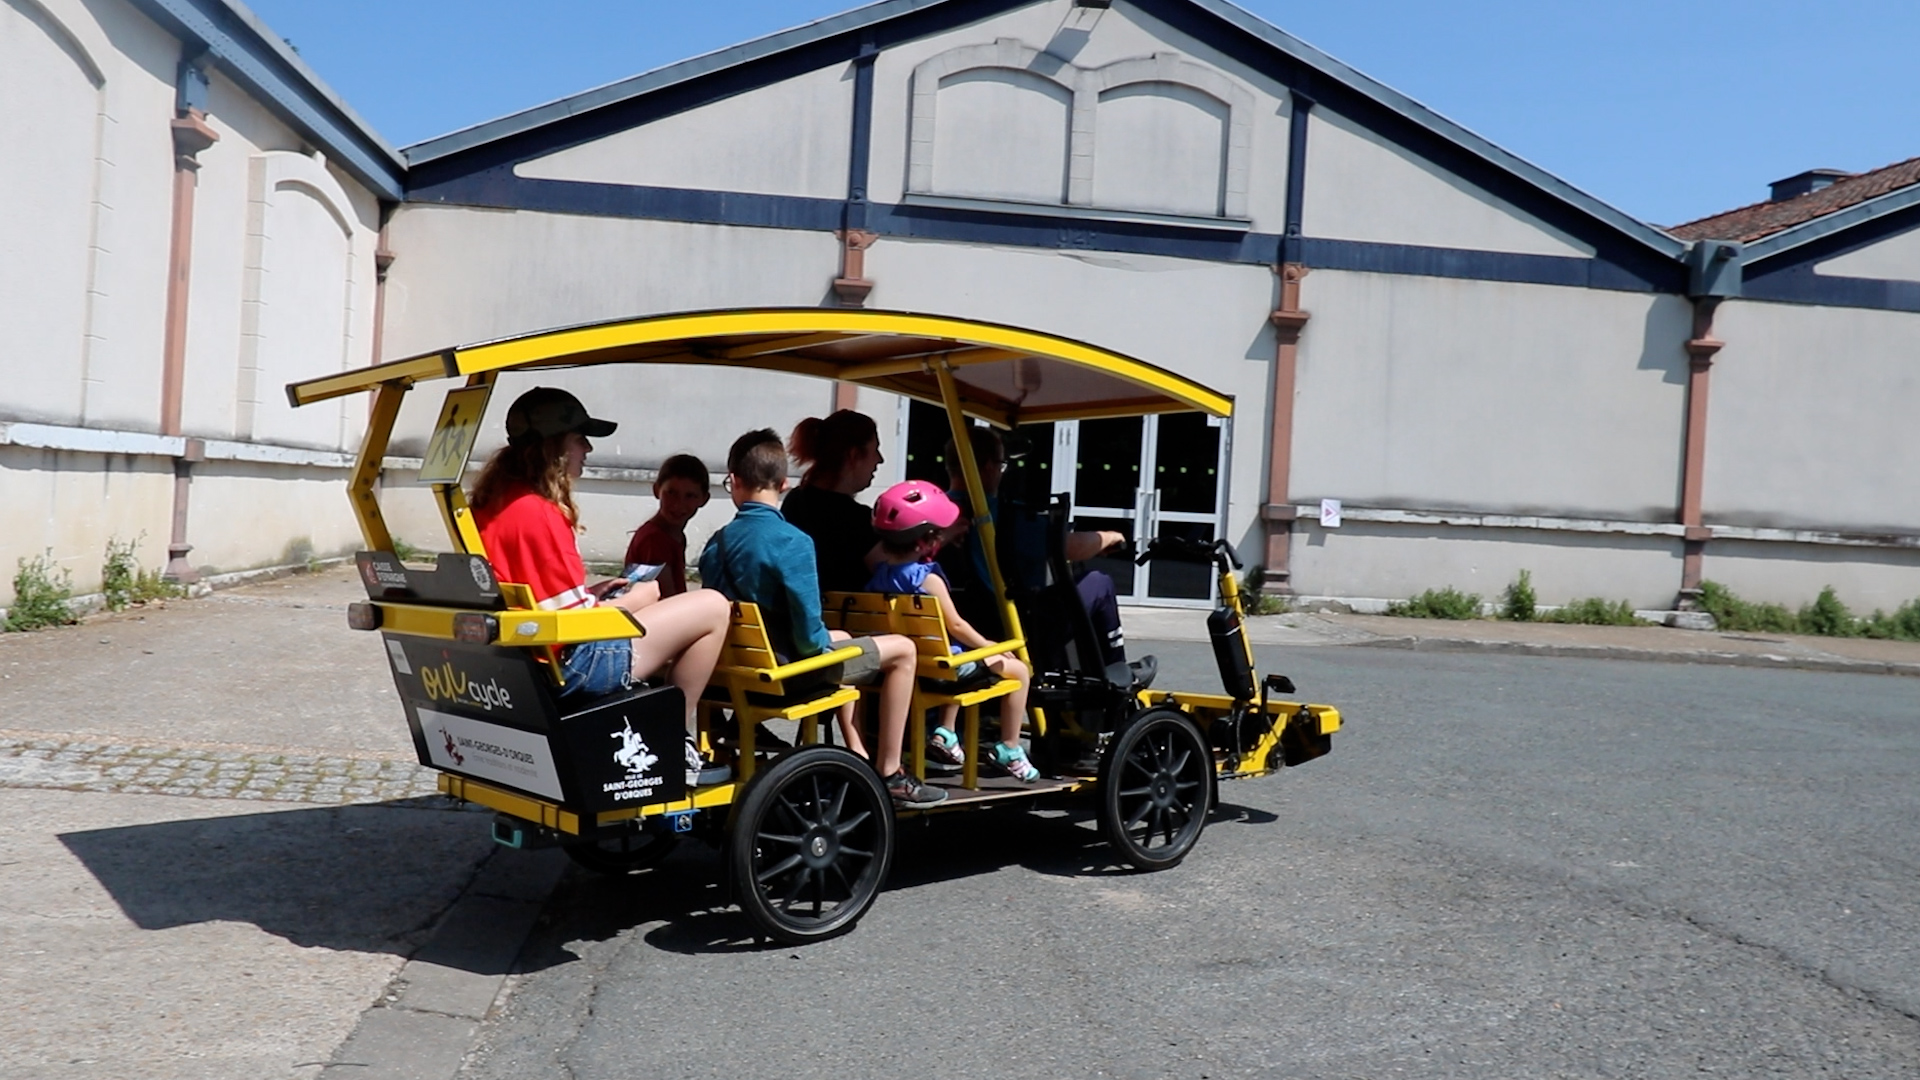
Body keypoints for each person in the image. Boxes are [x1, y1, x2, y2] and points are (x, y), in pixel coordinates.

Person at [469, 387, 731, 788]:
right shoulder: (539, 512)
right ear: (555, 447)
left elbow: (547, 598)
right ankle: (674, 744)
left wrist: (595, 592)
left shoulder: (495, 500)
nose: (588, 448)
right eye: (580, 439)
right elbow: (576, 626)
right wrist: (636, 600)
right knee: (713, 606)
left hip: (529, 657)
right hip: (570, 667)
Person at [699, 428, 946, 809]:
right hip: (788, 673)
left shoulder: (718, 541)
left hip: (743, 668)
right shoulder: (793, 541)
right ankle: (892, 771)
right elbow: (810, 638)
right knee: (904, 651)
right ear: (783, 483)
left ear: (734, 482)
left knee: (844, 635)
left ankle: (858, 752)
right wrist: (825, 641)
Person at [869, 480, 1038, 782]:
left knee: (955, 653)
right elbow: (956, 624)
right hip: (941, 667)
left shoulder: (880, 574)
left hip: (911, 665)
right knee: (1018, 670)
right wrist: (992, 645)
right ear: (925, 543)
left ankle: (946, 732)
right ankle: (1010, 747)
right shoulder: (927, 578)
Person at [939, 426, 1130, 666]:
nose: (1001, 472)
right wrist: (1110, 536)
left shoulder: (934, 514)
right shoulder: (1000, 515)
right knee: (1099, 582)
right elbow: (1069, 547)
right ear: (988, 466)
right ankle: (1118, 672)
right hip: (1014, 623)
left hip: (961, 624)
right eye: (1001, 464)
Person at [780, 410, 884, 593]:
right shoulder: (855, 519)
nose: (880, 459)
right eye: (875, 450)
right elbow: (895, 570)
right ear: (853, 455)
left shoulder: (795, 501)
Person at [623, 453, 710, 598]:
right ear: (657, 490)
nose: (678, 504)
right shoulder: (655, 539)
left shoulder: (674, 535)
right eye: (671, 493)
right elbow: (667, 598)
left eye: (690, 496)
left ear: (704, 499)